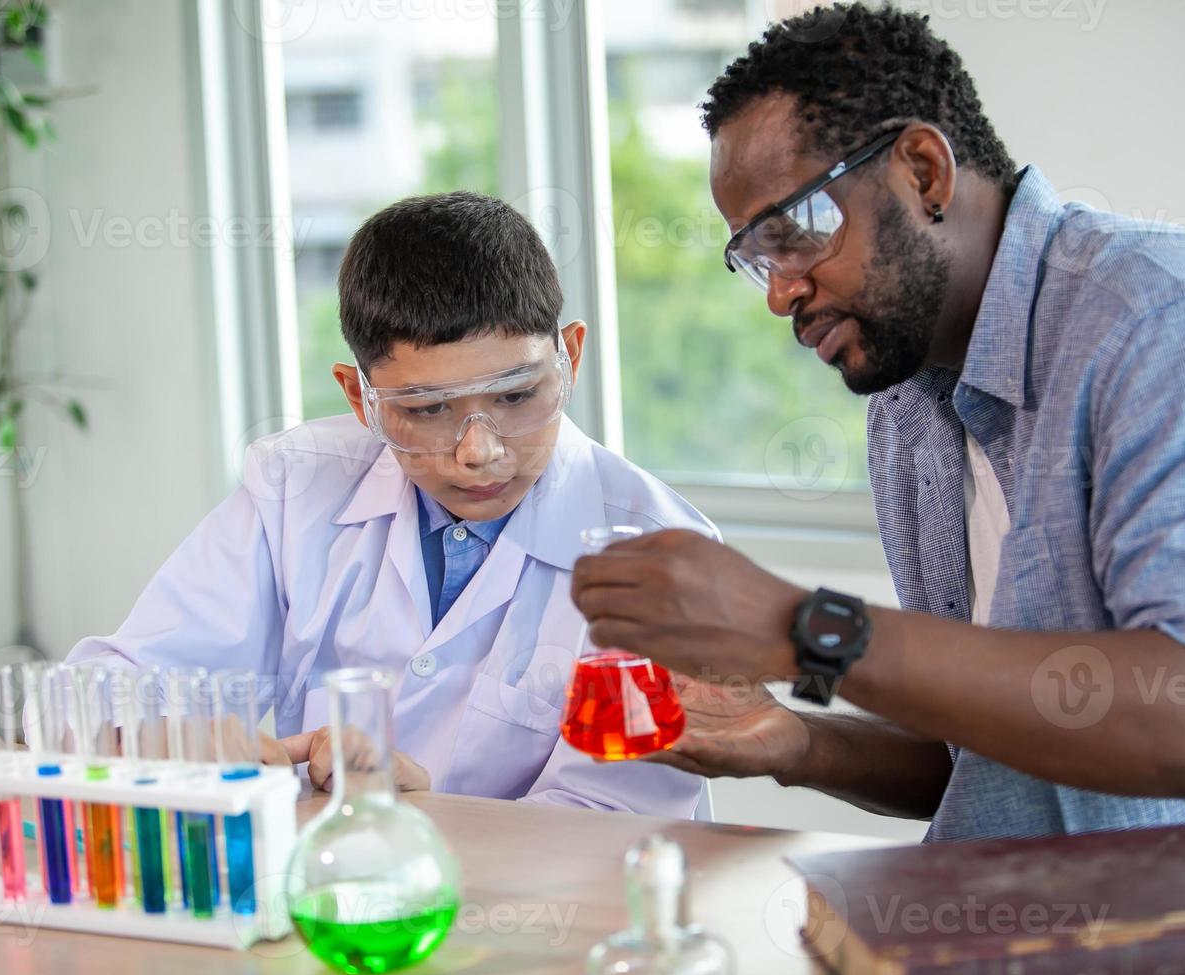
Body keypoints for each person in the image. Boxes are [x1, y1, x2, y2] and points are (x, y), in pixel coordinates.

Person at [571, 3, 1185, 873]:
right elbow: (979, 753)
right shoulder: (907, 409)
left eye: (794, 234)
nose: (778, 294)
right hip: (1008, 928)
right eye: (756, 257)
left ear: (923, 170)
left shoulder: (1174, 321)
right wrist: (792, 742)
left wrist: (802, 627)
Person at [68, 191, 711, 818]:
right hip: (338, 896)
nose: (478, 452)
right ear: (359, 398)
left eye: (516, 396)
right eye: (427, 410)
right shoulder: (298, 486)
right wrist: (180, 744)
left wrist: (428, 816)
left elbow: (619, 821)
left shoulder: (659, 556)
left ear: (568, 356)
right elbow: (107, 688)